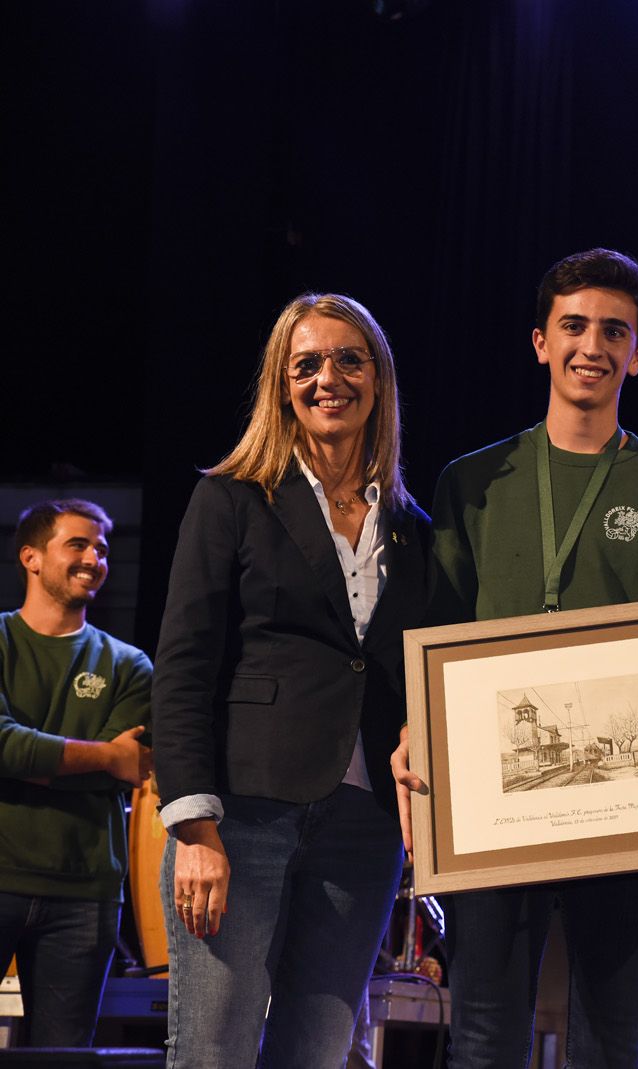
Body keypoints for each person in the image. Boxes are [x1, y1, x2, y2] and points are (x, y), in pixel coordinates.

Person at [391, 247, 638, 1069]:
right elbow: (436, 634)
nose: (593, 345)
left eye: (614, 331)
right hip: (491, 804)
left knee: (613, 1041)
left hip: (634, 815)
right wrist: (416, 728)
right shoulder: (472, 481)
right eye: (575, 326)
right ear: (540, 341)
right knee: (483, 1037)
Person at [153, 293, 432, 1067]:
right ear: (281, 384)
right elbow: (182, 665)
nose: (327, 378)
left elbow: (417, 675)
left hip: (363, 829)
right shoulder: (231, 499)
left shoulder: (413, 527)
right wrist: (194, 830)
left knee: (313, 1054)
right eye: (305, 363)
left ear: (378, 378)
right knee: (213, 1051)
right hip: (240, 818)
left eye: (349, 358)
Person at [0, 499, 152, 1046]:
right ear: (31, 558)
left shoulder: (130, 665)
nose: (95, 559)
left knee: (61, 1059)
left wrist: (29, 760)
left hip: (85, 890)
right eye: (78, 545)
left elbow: (130, 767)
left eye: (103, 550)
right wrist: (103, 756)